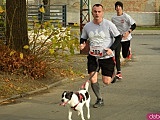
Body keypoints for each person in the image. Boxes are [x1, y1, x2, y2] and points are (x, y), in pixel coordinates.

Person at [80, 4, 121, 108]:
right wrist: (82, 43)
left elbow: (118, 38)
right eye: (95, 11)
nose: (97, 13)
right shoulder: (88, 26)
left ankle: (112, 77)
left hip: (106, 57)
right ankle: (99, 99)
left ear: (102, 13)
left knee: (106, 81)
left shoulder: (109, 24)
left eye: (99, 11)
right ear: (92, 12)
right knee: (93, 78)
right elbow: (83, 37)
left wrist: (111, 49)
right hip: (93, 56)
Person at [111, 1, 136, 79]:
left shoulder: (126, 16)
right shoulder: (113, 18)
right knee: (117, 55)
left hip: (126, 38)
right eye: (117, 6)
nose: (118, 8)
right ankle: (119, 72)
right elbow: (112, 28)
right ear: (115, 8)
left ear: (122, 8)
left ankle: (128, 51)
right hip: (118, 38)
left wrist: (128, 32)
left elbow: (134, 25)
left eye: (119, 6)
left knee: (125, 55)